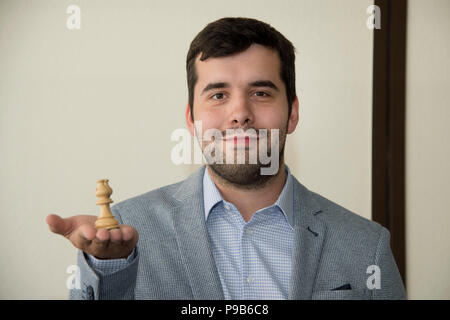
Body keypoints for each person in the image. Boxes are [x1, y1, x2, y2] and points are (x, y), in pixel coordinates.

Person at [46, 17, 406, 300]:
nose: (240, 114)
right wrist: (109, 271)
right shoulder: (120, 237)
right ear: (191, 118)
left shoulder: (365, 246)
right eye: (218, 95)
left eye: (261, 92)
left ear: (292, 113)